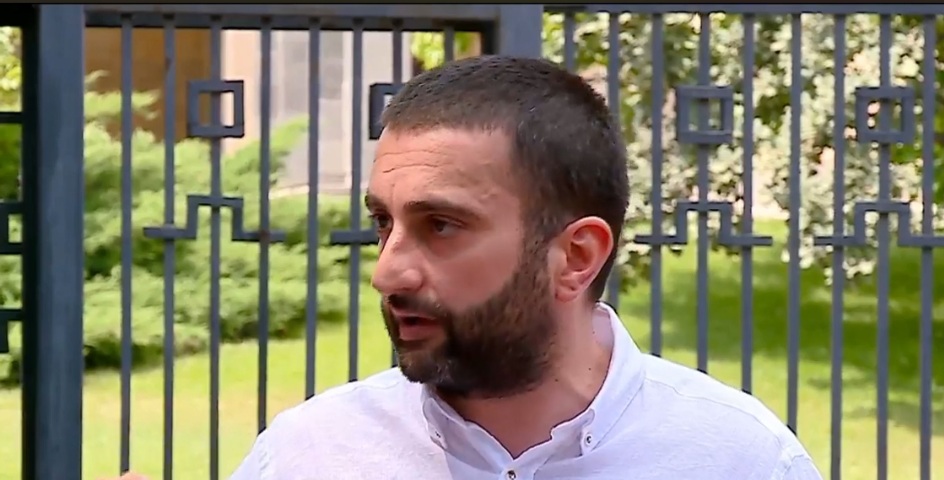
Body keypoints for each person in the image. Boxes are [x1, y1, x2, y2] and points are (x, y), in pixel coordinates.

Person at [112, 55, 822, 480]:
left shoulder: (738, 460)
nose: (388, 272)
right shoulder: (310, 454)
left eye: (441, 226)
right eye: (384, 222)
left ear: (576, 257)